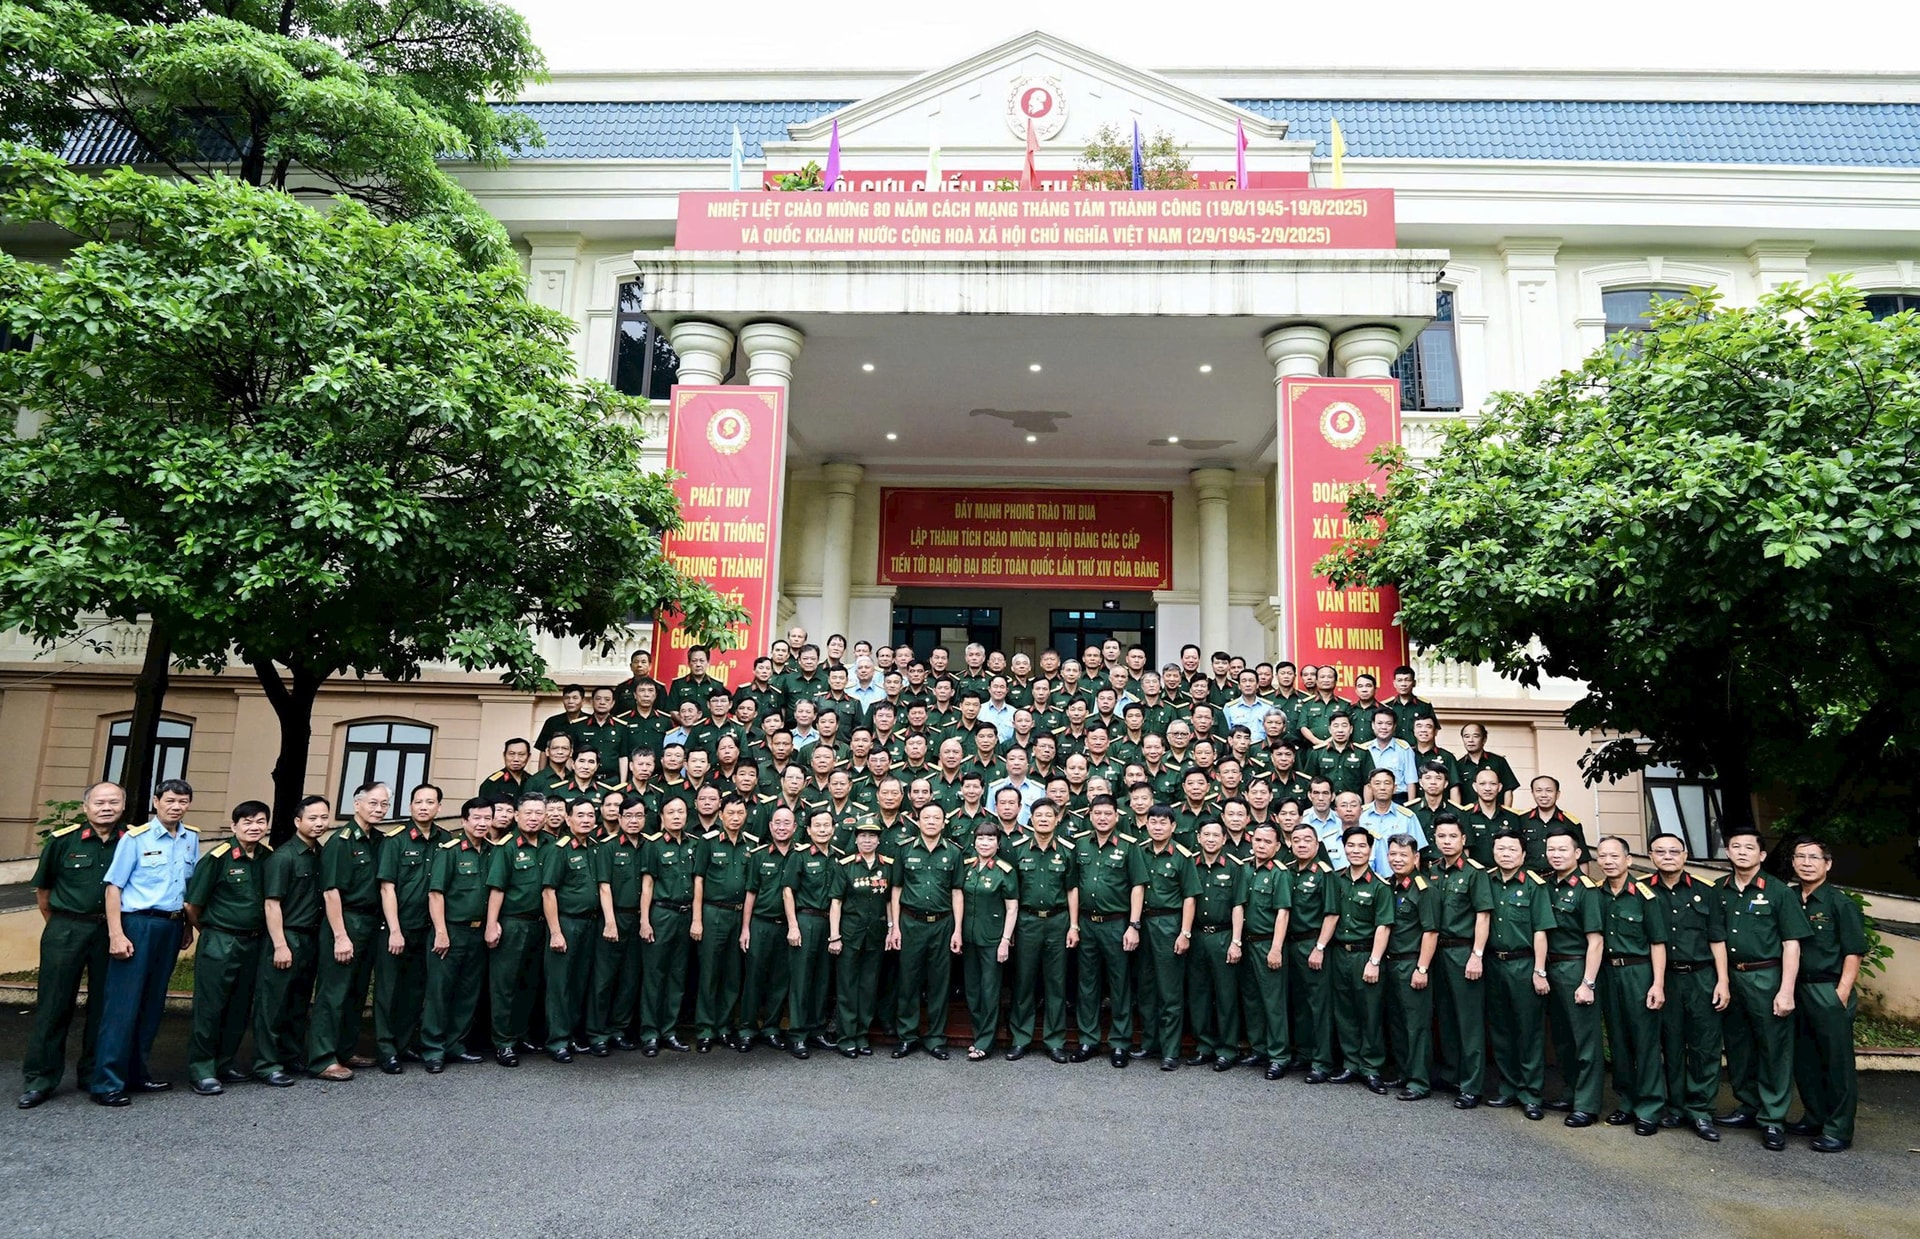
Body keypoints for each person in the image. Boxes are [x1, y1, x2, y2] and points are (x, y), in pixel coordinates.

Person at [92, 778, 200, 1107]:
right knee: (122, 1007)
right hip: (136, 925)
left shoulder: (191, 838)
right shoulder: (134, 839)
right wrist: (116, 933)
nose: (175, 807)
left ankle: (137, 1073)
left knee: (152, 1005)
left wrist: (186, 927)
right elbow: (114, 888)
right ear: (156, 801)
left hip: (170, 926)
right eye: (169, 801)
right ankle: (107, 1082)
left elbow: (186, 888)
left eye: (182, 802)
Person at [19, 781, 124, 1110]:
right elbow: (44, 891)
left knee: (103, 1007)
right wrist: (62, 925)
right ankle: (40, 1079)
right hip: (67, 928)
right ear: (86, 807)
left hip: (112, 930)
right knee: (54, 1005)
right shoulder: (63, 842)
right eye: (99, 802)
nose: (106, 807)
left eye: (113, 802)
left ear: (123, 806)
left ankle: (94, 1074)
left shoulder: (131, 841)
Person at [1712, 825, 1812, 1151]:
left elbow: (1792, 945)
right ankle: (1748, 1106)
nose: (1742, 852)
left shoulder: (1778, 891)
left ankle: (1773, 1118)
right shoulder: (1719, 889)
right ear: (1727, 852)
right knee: (1739, 1045)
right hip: (1732, 977)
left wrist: (1786, 990)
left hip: (1766, 977)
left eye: (1749, 847)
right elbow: (1717, 938)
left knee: (1773, 1048)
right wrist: (1723, 981)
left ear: (1762, 854)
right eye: (1735, 846)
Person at [182, 801, 272, 1095]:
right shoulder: (217, 858)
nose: (254, 827)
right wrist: (208, 930)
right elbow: (192, 905)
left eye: (260, 821)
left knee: (239, 1005)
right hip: (220, 939)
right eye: (246, 822)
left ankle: (225, 1062)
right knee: (210, 1005)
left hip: (253, 941)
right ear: (234, 826)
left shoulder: (267, 857)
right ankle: (202, 1068)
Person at [1646, 831, 1729, 1141]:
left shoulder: (1706, 891)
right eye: (1660, 852)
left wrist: (1723, 981)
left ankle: (1701, 1110)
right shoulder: (1643, 890)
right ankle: (1676, 1106)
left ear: (1684, 855)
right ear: (1651, 857)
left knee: (1704, 1045)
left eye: (1674, 851)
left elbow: (1717, 938)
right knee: (1671, 1043)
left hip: (1702, 976)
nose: (1667, 856)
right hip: (1664, 978)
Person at [1787, 836, 1867, 1153]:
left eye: (1814, 858)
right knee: (1804, 1058)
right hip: (1796, 987)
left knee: (1836, 1062)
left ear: (1827, 864)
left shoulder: (1839, 903)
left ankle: (1838, 1129)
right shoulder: (1788, 898)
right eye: (1800, 857)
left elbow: (1854, 951)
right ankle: (1814, 1116)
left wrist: (1842, 993)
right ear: (1792, 862)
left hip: (1827, 988)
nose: (1806, 863)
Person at [306, 781, 388, 1082]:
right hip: (345, 921)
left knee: (355, 990)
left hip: (369, 922)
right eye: (373, 803)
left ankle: (344, 1048)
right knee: (333, 991)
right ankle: (322, 1057)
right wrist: (340, 935)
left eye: (384, 804)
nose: (379, 809)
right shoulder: (342, 842)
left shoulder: (379, 840)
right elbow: (331, 893)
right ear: (357, 804)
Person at [1594, 835, 1669, 1135]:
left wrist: (1658, 984)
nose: (1608, 861)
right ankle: (1626, 1103)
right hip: (1609, 974)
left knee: (1645, 1042)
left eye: (1615, 856)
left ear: (1627, 860)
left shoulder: (1644, 895)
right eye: (1603, 856)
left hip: (1639, 973)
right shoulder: (1597, 894)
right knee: (1619, 1040)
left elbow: (1658, 943)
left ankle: (1650, 1108)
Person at [252, 794, 329, 1087]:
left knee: (298, 1001)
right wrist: (281, 944)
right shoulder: (283, 857)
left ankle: (290, 1055)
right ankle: (266, 1063)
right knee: (273, 1003)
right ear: (298, 821)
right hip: (287, 937)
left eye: (324, 817)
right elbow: (272, 904)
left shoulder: (320, 854)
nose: (319, 823)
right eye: (312, 818)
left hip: (311, 938)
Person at [1070, 795, 1146, 1067]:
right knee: (1087, 984)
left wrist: (1133, 925)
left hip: (1116, 923)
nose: (1102, 818)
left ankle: (1120, 1043)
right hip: (1088, 923)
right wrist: (1074, 924)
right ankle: (1088, 1039)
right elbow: (1074, 885)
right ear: (1090, 815)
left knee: (1119, 984)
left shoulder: (1128, 846)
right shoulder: (1080, 844)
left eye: (1108, 813)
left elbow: (1138, 886)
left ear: (1117, 816)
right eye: (1097, 813)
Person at [372, 785, 443, 1073]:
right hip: (398, 927)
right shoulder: (395, 840)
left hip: (427, 929)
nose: (424, 806)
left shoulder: (446, 841)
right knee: (389, 990)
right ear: (410, 806)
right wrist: (394, 929)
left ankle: (404, 1043)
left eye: (430, 802)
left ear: (439, 806)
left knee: (415, 990)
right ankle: (386, 1049)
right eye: (418, 802)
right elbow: (387, 888)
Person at [1317, 825, 1394, 1093]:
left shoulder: (1380, 886)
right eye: (1351, 846)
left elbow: (1383, 927)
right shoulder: (1336, 879)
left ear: (1371, 850)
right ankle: (1351, 1063)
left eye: (1362, 846)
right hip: (1340, 953)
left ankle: (1371, 1067)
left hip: (1365, 955)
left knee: (1370, 1012)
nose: (1356, 850)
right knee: (1345, 1010)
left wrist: (1374, 961)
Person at [1483, 829, 1553, 1120]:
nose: (1505, 854)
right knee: (1500, 1030)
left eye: (1512, 850)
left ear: (1523, 855)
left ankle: (1531, 1094)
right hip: (1493, 964)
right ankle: (1508, 1088)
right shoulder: (1486, 881)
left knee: (1529, 1031)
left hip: (1524, 965)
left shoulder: (1535, 885)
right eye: (1500, 849)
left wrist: (1539, 970)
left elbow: (1540, 931)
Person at [420, 799, 494, 1073]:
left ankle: (455, 1045)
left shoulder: (492, 851)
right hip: (451, 930)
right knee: (440, 992)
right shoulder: (449, 850)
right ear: (464, 821)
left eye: (487, 818)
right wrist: (441, 931)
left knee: (468, 992)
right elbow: (435, 893)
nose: (482, 823)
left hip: (478, 933)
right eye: (476, 818)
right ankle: (433, 1049)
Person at [888, 802, 965, 1061]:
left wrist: (957, 930)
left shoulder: (954, 853)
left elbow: (957, 892)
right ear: (918, 821)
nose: (931, 822)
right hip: (911, 923)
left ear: (944, 823)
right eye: (926, 817)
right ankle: (907, 1036)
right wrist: (895, 926)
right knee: (908, 981)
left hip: (942, 924)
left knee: (939, 983)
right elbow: (896, 889)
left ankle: (935, 1038)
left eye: (936, 818)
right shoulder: (905, 849)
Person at [1426, 814, 1494, 1107]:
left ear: (1463, 839)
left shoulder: (1475, 873)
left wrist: (1477, 955)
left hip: (1464, 952)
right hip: (1438, 951)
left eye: (1452, 836)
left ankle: (1472, 1084)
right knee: (1446, 1017)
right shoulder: (1432, 870)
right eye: (1441, 836)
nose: (1447, 841)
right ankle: (1452, 1074)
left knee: (1469, 1020)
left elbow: (1483, 915)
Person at [1540, 827, 1605, 1124]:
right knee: (1563, 1038)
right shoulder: (1546, 885)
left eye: (1562, 849)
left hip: (1576, 968)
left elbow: (1596, 940)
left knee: (1585, 1040)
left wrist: (1588, 982)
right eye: (1551, 849)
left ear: (1577, 853)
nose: (1556, 854)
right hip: (1552, 968)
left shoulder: (1586, 889)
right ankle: (1570, 1090)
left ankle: (1587, 1104)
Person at [1005, 800, 1078, 1062]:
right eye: (1039, 815)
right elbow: (1010, 893)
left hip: (1058, 921)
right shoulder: (1017, 849)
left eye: (1049, 815)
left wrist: (1073, 925)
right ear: (1030, 819)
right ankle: (1020, 1038)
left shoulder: (1068, 851)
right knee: (1024, 981)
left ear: (1057, 819)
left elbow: (1072, 890)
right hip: (1027, 921)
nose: (1044, 819)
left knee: (1055, 982)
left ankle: (1055, 1040)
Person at [484, 793, 551, 1068]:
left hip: (539, 924)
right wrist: (491, 924)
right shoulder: (507, 846)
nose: (534, 817)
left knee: (529, 984)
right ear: (516, 816)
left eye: (539, 812)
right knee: (505, 986)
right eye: (529, 812)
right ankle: (504, 1042)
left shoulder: (550, 845)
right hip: (512, 923)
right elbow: (497, 889)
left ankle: (521, 1034)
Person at [1135, 805, 1200, 1071]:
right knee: (1146, 987)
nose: (1158, 826)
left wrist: (1184, 932)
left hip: (1169, 923)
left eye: (1163, 822)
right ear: (1146, 825)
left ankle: (1171, 1051)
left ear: (1173, 827)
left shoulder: (1182, 856)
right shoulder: (1139, 851)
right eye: (1153, 822)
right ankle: (1150, 1043)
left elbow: (1189, 897)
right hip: (1144, 922)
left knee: (1169, 990)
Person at [540, 800, 603, 1062]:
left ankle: (572, 1036)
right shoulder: (559, 850)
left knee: (579, 982)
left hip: (590, 923)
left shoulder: (596, 849)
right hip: (567, 923)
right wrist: (555, 931)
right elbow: (548, 892)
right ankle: (557, 1041)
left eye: (590, 815)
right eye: (580, 815)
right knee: (560, 984)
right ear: (568, 819)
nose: (586, 820)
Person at [694, 793, 757, 1052]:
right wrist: (697, 920)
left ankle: (723, 1027)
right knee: (710, 973)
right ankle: (705, 1029)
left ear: (745, 816)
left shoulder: (751, 845)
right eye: (730, 813)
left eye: (739, 813)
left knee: (732, 974)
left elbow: (753, 887)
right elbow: (698, 880)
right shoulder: (707, 842)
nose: (735, 818)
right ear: (721, 815)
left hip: (738, 914)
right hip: (713, 913)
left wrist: (745, 926)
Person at [1185, 819, 1248, 1071]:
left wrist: (1236, 941)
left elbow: (1237, 905)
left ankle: (1227, 1049)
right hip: (1198, 935)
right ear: (1198, 838)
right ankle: (1204, 1046)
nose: (1210, 839)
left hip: (1223, 936)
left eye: (1215, 835)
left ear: (1224, 840)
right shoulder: (1190, 864)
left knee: (1225, 995)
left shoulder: (1234, 867)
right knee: (1198, 993)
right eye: (1206, 835)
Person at [1381, 833, 1439, 1100]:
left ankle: (1419, 1081)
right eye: (1393, 854)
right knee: (1398, 1022)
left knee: (1416, 1025)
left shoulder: (1422, 889)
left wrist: (1422, 968)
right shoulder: (1389, 886)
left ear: (1416, 858)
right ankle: (1404, 1072)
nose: (1397, 859)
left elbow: (1431, 932)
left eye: (1403, 855)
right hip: (1391, 963)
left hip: (1412, 963)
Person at [638, 795, 698, 1054]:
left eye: (681, 812)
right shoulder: (653, 846)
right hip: (661, 914)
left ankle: (669, 1030)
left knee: (677, 975)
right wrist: (644, 920)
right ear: (661, 817)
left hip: (684, 916)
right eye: (671, 812)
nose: (676, 816)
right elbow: (647, 885)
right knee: (655, 975)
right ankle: (650, 1033)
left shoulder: (694, 844)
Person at [829, 819, 892, 1058]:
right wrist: (834, 936)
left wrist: (890, 928)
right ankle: (846, 1038)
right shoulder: (845, 866)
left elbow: (888, 901)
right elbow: (836, 902)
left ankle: (862, 1035)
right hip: (849, 934)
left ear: (878, 840)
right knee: (847, 987)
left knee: (868, 987)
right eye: (863, 836)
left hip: (875, 935)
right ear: (855, 839)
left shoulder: (886, 866)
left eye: (872, 836)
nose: (867, 840)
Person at [588, 799, 647, 1055]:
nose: (634, 821)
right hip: (614, 919)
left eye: (639, 816)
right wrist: (610, 921)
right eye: (629, 816)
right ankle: (597, 1033)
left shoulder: (648, 846)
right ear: (620, 818)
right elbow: (604, 886)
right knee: (604, 979)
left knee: (629, 978)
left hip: (637, 920)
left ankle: (618, 1030)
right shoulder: (608, 847)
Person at [957, 825, 1019, 1060]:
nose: (985, 843)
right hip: (970, 937)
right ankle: (978, 1035)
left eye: (990, 839)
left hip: (993, 938)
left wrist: (1005, 940)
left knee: (990, 990)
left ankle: (986, 1041)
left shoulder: (1005, 870)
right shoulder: (967, 867)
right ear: (974, 842)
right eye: (981, 839)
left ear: (997, 844)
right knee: (972, 990)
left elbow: (1012, 908)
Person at [740, 806, 800, 1049]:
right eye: (778, 823)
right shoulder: (759, 855)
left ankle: (772, 1027)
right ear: (770, 826)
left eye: (787, 823)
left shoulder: (801, 855)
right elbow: (750, 893)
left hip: (787, 927)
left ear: (795, 827)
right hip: (761, 924)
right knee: (754, 978)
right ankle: (746, 1028)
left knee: (780, 979)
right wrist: (746, 928)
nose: (782, 827)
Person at [1283, 820, 1339, 1078]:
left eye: (1307, 840)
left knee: (1319, 1005)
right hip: (1291, 944)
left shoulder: (1324, 873)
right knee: (1300, 1004)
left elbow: (1331, 914)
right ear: (1290, 844)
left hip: (1313, 943)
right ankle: (1304, 1053)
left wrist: (1319, 947)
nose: (1302, 844)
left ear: (1317, 844)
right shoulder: (1289, 871)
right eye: (1297, 840)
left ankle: (1322, 1061)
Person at [1240, 823, 1293, 1080]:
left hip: (1266, 943)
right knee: (1252, 999)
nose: (1261, 845)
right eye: (1257, 840)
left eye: (1267, 842)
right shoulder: (1246, 868)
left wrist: (1276, 948)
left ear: (1277, 846)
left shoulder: (1280, 873)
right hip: (1248, 942)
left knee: (1274, 1002)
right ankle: (1259, 1048)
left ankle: (1279, 1055)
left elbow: (1283, 913)